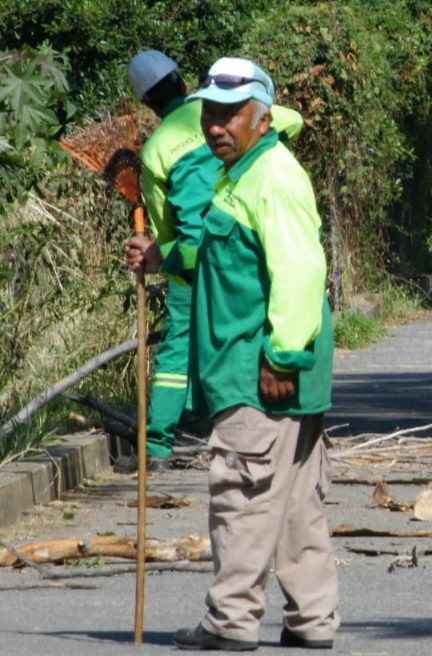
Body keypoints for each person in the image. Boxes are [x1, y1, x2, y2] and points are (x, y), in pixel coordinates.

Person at [125, 57, 338, 651]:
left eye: (230, 114)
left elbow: (300, 271)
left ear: (262, 117)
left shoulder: (272, 177)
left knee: (240, 498)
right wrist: (164, 258)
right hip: (267, 365)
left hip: (261, 367)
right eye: (211, 113)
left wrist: (281, 357)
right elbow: (219, 260)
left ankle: (230, 624)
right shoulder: (237, 174)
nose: (217, 125)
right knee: (294, 505)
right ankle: (312, 623)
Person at [117, 50, 303, 474]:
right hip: (240, 248)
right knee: (249, 331)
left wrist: (160, 256)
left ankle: (157, 448)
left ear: (146, 103)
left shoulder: (158, 148)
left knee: (176, 352)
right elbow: (290, 121)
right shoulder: (232, 112)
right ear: (183, 82)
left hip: (193, 259)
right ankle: (263, 432)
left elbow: (164, 230)